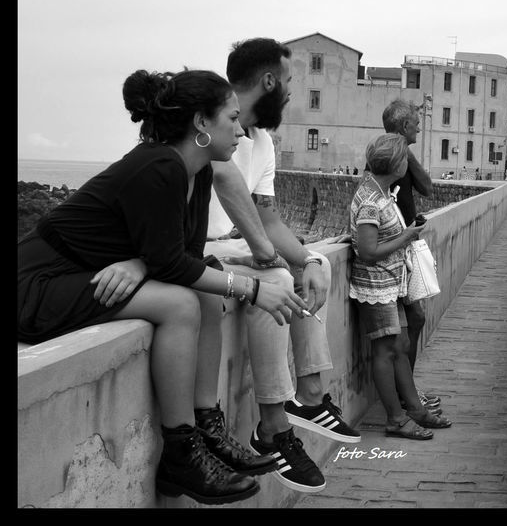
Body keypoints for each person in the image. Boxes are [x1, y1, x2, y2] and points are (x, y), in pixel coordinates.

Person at [17, 68, 308, 505]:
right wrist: (250, 288)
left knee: (207, 293)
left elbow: (186, 255)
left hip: (82, 272)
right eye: (232, 119)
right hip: (37, 282)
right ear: (201, 123)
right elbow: (175, 265)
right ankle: (180, 451)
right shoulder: (160, 165)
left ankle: (208, 428)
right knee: (179, 305)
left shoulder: (200, 169)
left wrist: (142, 262)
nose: (240, 132)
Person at [204, 38, 360, 494]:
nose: (291, 93)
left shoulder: (262, 140)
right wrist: (265, 253)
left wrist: (308, 257)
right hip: (202, 249)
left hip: (238, 247)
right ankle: (273, 426)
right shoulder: (207, 123)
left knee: (315, 269)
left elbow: (267, 217)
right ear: (269, 81)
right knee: (274, 277)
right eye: (289, 82)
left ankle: (309, 396)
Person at [349, 134, 449, 441]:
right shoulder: (370, 200)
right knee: (385, 351)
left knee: (399, 348)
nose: (408, 162)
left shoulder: (380, 192)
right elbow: (367, 251)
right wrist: (407, 235)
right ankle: (395, 418)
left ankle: (415, 409)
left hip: (390, 283)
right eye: (405, 158)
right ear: (396, 163)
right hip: (375, 285)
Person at [381, 98, 445, 416]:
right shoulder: (387, 158)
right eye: (415, 124)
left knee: (413, 321)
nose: (419, 126)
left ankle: (407, 392)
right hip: (392, 251)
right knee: (412, 321)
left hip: (403, 247)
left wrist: (406, 149)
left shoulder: (400, 156)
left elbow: (427, 187)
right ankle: (407, 396)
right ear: (404, 126)